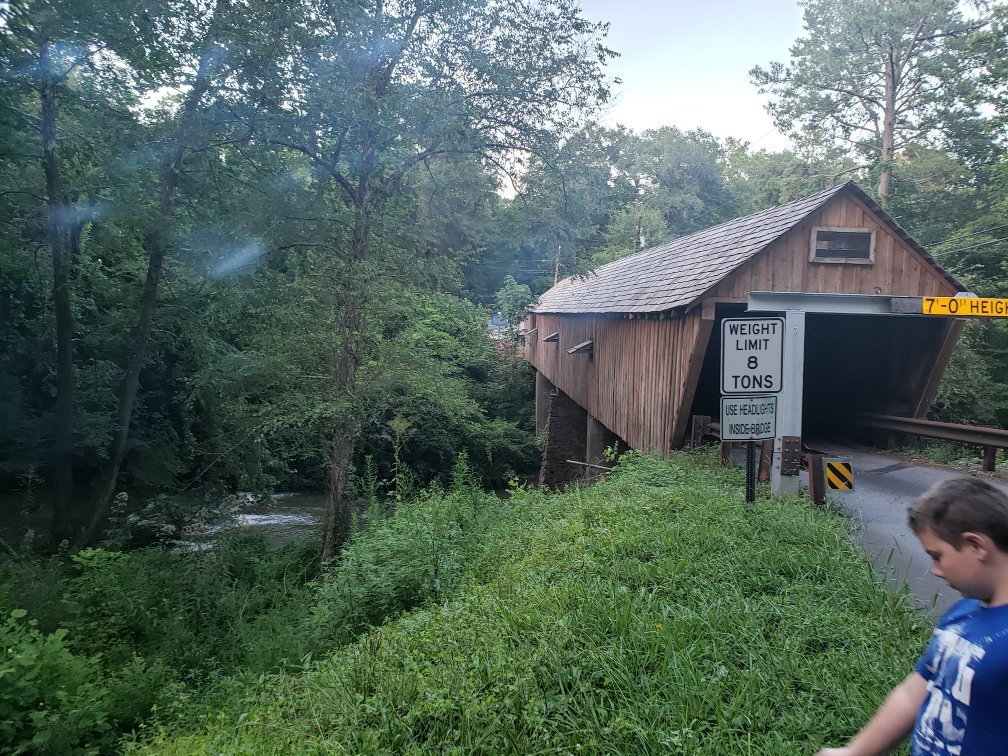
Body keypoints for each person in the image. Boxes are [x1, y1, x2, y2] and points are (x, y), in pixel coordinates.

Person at [817, 476, 1008, 755]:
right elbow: (914, 693)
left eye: (937, 555)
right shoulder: (962, 615)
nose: (935, 570)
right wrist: (854, 751)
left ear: (976, 546)